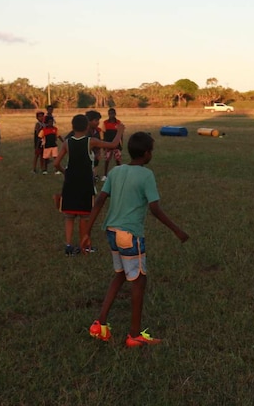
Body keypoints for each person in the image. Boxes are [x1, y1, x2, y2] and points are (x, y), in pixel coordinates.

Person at [82, 131, 189, 347]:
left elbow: (100, 200)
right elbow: (155, 209)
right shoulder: (146, 175)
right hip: (130, 235)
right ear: (148, 154)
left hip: (111, 232)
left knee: (120, 275)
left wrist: (86, 232)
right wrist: (177, 230)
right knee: (139, 281)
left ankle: (100, 324)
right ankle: (134, 335)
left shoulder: (116, 171)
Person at [55, 114, 125, 256]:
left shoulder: (67, 143)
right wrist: (120, 131)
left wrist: (66, 173)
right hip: (85, 184)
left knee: (69, 216)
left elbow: (56, 163)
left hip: (70, 184)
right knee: (84, 216)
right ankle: (85, 246)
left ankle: (68, 246)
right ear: (87, 126)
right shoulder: (91, 141)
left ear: (72, 126)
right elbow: (113, 145)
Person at [102, 108, 123, 180]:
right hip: (108, 144)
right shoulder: (105, 123)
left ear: (115, 114)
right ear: (108, 114)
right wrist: (103, 145)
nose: (111, 115)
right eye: (109, 114)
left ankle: (120, 174)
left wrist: (121, 145)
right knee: (107, 160)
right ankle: (105, 175)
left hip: (117, 145)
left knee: (118, 160)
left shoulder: (119, 122)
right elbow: (103, 134)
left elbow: (121, 134)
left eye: (112, 113)